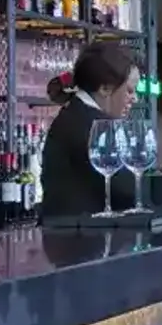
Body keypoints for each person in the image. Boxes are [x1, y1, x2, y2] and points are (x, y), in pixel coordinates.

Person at [41, 42, 139, 219]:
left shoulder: (75, 114)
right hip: (77, 239)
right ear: (104, 88)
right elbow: (126, 189)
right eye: (130, 91)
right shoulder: (93, 124)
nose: (135, 99)